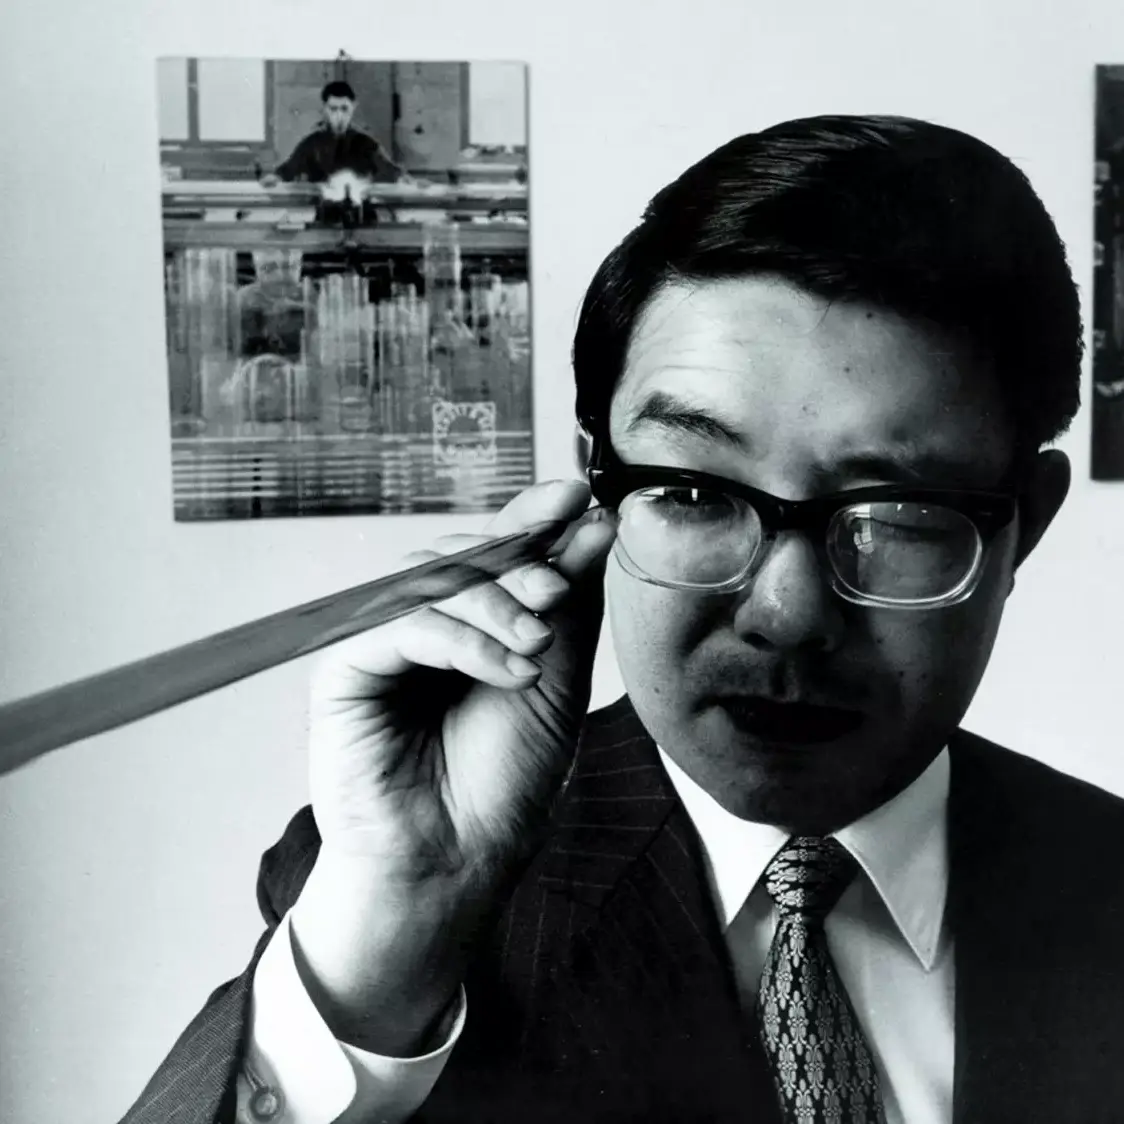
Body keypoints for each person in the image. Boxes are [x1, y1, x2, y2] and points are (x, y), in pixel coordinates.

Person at [121, 115, 1124, 1124]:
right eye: (690, 492)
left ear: (1020, 528)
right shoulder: (400, 884)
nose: (783, 611)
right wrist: (399, 917)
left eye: (896, 511)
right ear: (598, 484)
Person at [260, 80, 405, 187]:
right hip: (325, 214)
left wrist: (410, 182)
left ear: (353, 107)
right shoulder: (312, 144)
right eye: (333, 109)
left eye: (344, 109)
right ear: (325, 109)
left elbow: (392, 171)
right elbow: (287, 169)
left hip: (361, 214)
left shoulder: (366, 143)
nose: (339, 115)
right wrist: (275, 178)